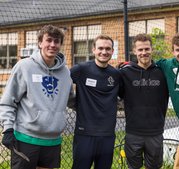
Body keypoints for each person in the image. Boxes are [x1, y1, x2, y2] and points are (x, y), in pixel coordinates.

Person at [0, 25, 72, 169]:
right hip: (26, 139)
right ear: (40, 43)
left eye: (56, 41)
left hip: (53, 141)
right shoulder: (24, 67)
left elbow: (71, 99)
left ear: (60, 45)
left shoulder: (65, 72)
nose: (52, 45)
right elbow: (8, 102)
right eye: (48, 40)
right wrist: (7, 129)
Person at [70, 35, 122, 169]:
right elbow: (62, 82)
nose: (104, 52)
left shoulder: (116, 74)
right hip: (84, 134)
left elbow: (124, 94)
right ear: (93, 50)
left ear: (112, 51)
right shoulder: (81, 69)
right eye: (100, 48)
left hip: (107, 135)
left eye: (107, 49)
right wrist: (76, 105)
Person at [119, 33, 169, 169]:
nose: (144, 53)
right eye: (140, 50)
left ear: (152, 49)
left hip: (155, 132)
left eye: (147, 49)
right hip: (133, 132)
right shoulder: (125, 73)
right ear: (134, 51)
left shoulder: (163, 72)